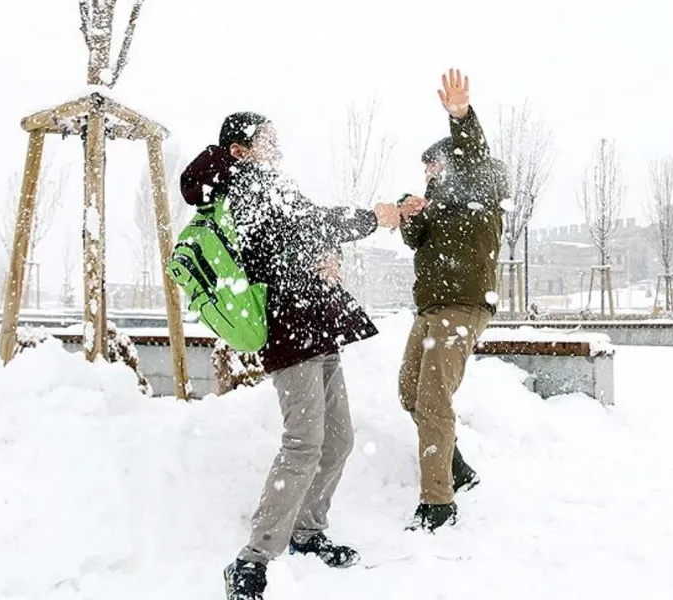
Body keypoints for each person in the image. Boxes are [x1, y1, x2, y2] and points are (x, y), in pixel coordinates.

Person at [179, 112, 416, 600]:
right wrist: (374, 218)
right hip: (288, 329)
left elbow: (304, 233)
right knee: (304, 443)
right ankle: (252, 560)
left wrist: (328, 256)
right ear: (241, 149)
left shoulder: (270, 184)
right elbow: (306, 225)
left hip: (316, 323)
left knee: (339, 438)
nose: (279, 148)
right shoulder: (244, 185)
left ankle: (307, 531)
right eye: (268, 140)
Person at [397, 69, 510, 532]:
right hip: (431, 308)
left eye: (434, 167)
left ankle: (438, 504)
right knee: (410, 392)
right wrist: (409, 212)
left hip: (462, 306)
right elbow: (414, 239)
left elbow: (473, 153)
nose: (429, 174)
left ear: (453, 163)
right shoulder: (437, 205)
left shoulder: (480, 187)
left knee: (432, 399)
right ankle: (456, 466)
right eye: (425, 170)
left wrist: (461, 116)